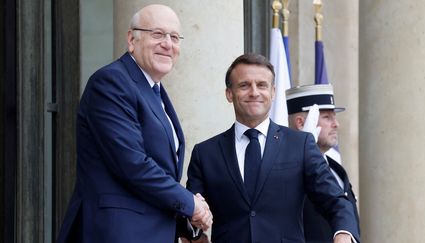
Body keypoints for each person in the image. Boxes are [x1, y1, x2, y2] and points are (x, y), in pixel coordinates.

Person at [56, 4, 212, 243]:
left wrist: (187, 218)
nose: (168, 44)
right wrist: (190, 203)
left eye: (174, 37)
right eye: (157, 34)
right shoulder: (112, 82)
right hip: (118, 233)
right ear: (132, 39)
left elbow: (160, 174)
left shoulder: (154, 91)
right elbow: (132, 163)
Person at [186, 53, 360, 243]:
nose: (254, 92)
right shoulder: (205, 153)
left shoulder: (300, 145)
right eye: (244, 85)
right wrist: (194, 233)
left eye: (262, 85)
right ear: (229, 94)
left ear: (273, 92)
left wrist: (343, 232)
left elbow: (335, 200)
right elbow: (191, 211)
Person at [286, 84, 360, 243]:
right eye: (327, 117)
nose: (336, 124)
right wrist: (303, 148)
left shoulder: (336, 169)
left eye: (335, 116)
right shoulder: (288, 170)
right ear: (301, 123)